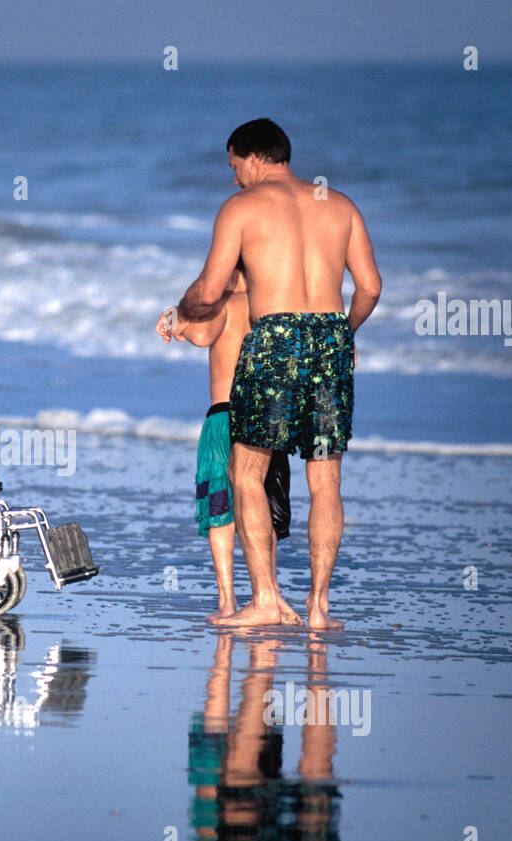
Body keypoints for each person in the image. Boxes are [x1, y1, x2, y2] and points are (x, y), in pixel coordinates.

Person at [178, 118, 381, 629]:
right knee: (326, 478)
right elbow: (371, 288)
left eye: (233, 167)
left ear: (251, 158)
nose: (233, 179)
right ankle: (318, 609)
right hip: (330, 336)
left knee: (246, 472)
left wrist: (183, 308)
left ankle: (266, 599)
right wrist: (346, 333)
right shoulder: (340, 204)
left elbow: (209, 291)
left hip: (275, 338)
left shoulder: (242, 208)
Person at [157, 267, 301, 626]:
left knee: (220, 508)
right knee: (264, 504)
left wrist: (175, 317)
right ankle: (269, 594)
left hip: (224, 416)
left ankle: (226, 600)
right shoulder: (273, 305)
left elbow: (202, 336)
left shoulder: (223, 305)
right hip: (268, 414)